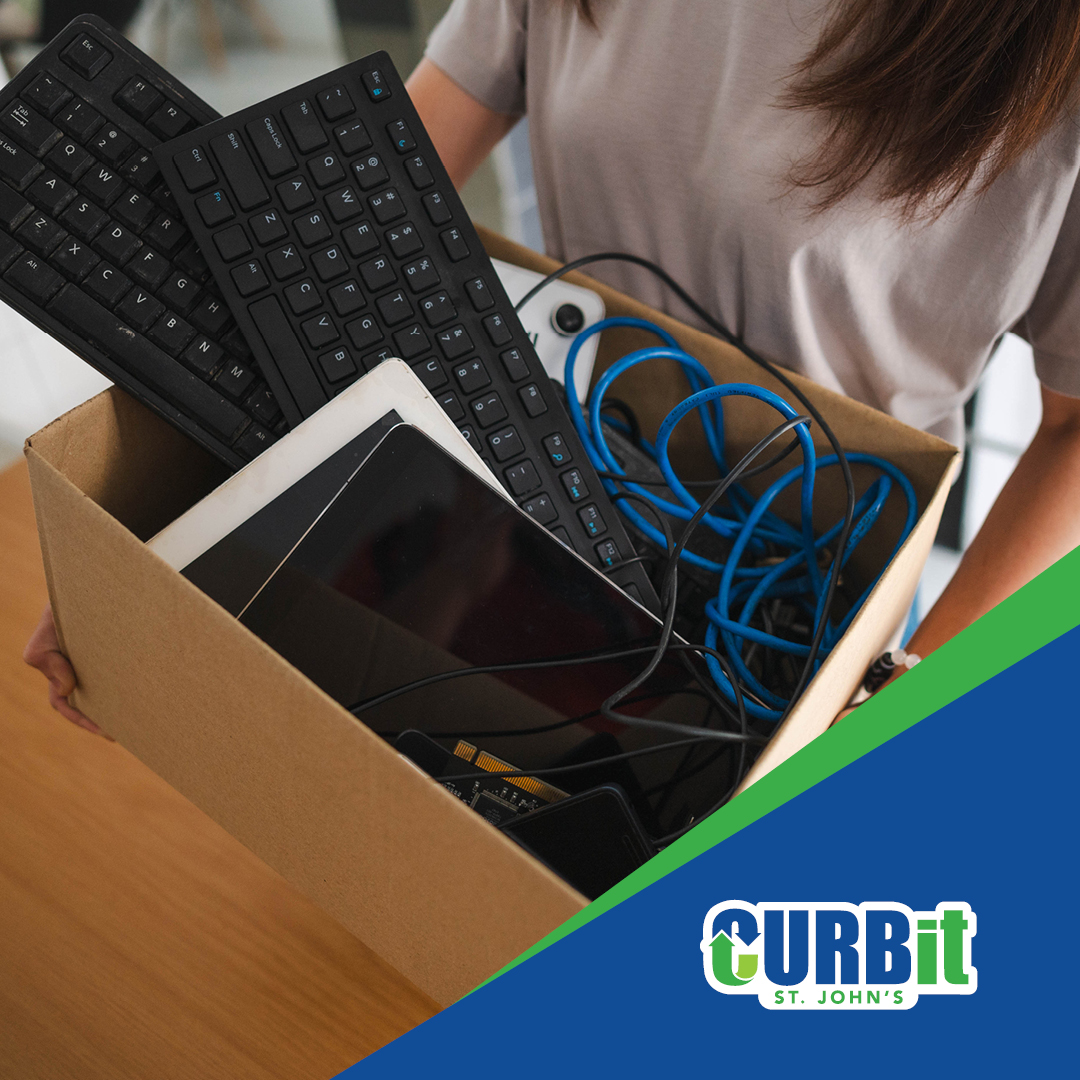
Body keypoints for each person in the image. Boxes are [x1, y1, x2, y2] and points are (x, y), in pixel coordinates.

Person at [25, 0, 1080, 728]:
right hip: (535, 486)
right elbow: (364, 215)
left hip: (811, 596)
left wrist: (907, 701)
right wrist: (164, 538)